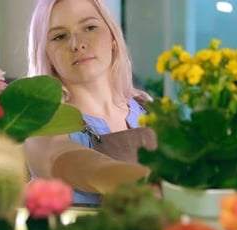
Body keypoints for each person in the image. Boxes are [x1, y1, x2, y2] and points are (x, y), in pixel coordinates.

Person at [23, 0, 152, 206]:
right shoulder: (43, 122)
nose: (77, 44)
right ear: (46, 54)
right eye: (59, 36)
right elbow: (64, 157)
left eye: (90, 27)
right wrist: (142, 183)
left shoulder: (149, 108)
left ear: (113, 38)